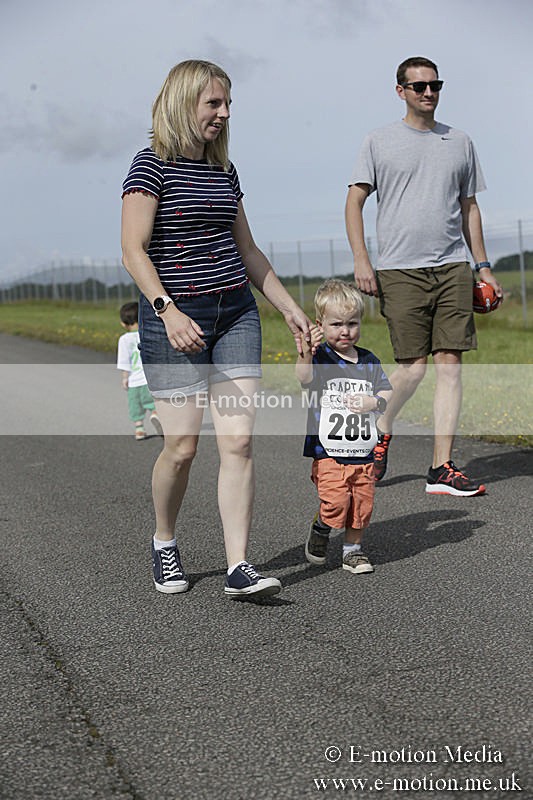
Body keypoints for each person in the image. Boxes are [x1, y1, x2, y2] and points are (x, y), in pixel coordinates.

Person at [121, 59, 311, 599]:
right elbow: (133, 250)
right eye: (214, 103)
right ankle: (164, 541)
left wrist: (287, 307)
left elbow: (247, 250)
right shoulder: (150, 167)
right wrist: (167, 311)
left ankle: (239, 565)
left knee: (239, 441)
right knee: (182, 447)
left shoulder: (224, 171)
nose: (224, 114)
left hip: (235, 316)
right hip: (175, 321)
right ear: (185, 103)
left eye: (228, 104)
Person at [345, 55, 503, 497]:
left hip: (452, 266)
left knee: (450, 364)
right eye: (419, 86)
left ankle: (441, 467)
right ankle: (381, 424)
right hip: (399, 269)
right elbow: (354, 201)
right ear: (401, 91)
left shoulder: (460, 141)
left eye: (435, 85)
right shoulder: (378, 141)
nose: (428, 93)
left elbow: (469, 208)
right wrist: (361, 259)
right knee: (413, 370)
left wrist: (483, 266)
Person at [296, 279, 392, 574]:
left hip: (362, 448)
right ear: (320, 325)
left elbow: (386, 391)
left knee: (361, 503)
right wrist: (305, 352)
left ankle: (353, 552)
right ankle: (322, 526)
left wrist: (375, 402)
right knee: (336, 501)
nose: (345, 330)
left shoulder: (369, 360)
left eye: (352, 323)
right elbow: (304, 378)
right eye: (336, 324)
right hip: (328, 449)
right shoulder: (320, 357)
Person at [117, 301, 163, 440]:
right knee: (154, 403)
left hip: (134, 382)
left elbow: (125, 362)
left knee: (135, 406)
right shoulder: (147, 334)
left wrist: (125, 378)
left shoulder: (124, 339)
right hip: (149, 380)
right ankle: (156, 414)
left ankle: (139, 429)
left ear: (123, 324)